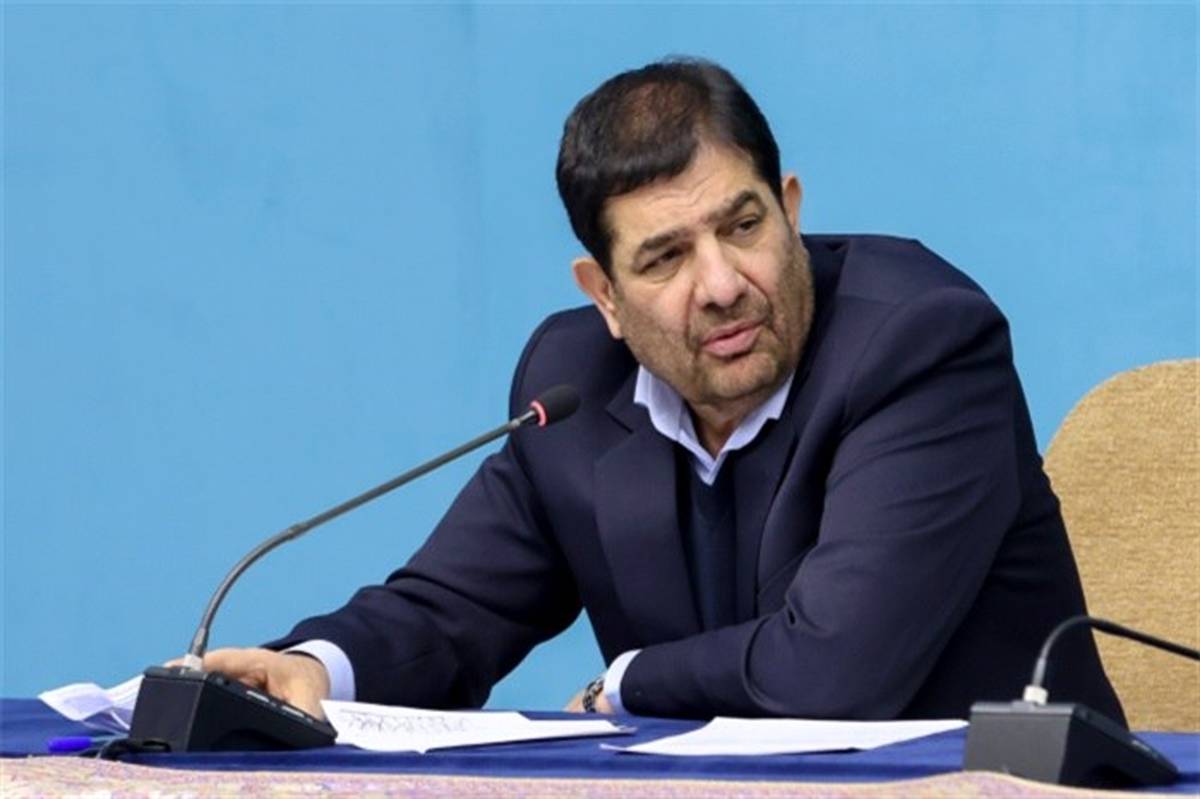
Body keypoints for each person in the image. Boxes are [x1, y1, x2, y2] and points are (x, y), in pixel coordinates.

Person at [199, 58, 1124, 723]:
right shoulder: (571, 387)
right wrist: (313, 669)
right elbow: (450, 612)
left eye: (744, 226)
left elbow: (835, 669)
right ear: (604, 295)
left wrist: (625, 683)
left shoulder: (921, 345)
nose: (721, 284)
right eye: (665, 258)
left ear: (791, 209)